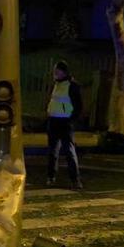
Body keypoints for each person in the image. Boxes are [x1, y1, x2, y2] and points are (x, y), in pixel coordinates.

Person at [46, 61, 83, 189]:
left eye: (57, 71)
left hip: (65, 123)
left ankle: (75, 180)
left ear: (64, 72)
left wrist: (71, 120)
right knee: (52, 152)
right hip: (53, 121)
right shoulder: (55, 84)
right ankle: (51, 177)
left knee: (69, 152)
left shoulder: (72, 86)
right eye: (54, 71)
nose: (55, 73)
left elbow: (78, 106)